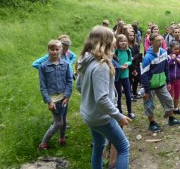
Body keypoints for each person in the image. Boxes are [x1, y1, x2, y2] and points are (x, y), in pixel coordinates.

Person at [76, 26, 131, 169]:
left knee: (99, 145)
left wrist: (90, 100)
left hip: (90, 115)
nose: (115, 42)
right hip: (102, 117)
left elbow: (79, 86)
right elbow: (101, 99)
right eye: (113, 38)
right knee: (123, 147)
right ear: (106, 42)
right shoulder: (101, 66)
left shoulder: (85, 60)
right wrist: (118, 116)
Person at [141, 33, 180, 132]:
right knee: (149, 105)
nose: (160, 43)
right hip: (150, 86)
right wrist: (146, 90)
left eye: (161, 40)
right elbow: (144, 75)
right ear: (151, 42)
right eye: (157, 41)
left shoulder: (163, 52)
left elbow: (166, 67)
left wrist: (168, 81)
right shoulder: (148, 57)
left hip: (161, 84)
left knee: (168, 100)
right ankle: (152, 123)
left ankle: (171, 119)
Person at [38, 40, 73, 150]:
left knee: (64, 119)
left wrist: (67, 96)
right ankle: (43, 144)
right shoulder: (43, 66)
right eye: (52, 49)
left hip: (64, 98)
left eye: (57, 49)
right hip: (53, 100)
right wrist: (49, 101)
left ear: (61, 50)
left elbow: (69, 81)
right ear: (48, 50)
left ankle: (62, 139)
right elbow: (43, 86)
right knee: (58, 123)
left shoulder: (66, 64)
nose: (55, 52)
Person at [114, 34, 135, 119]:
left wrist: (127, 64)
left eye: (124, 41)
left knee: (128, 94)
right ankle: (120, 112)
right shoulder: (115, 52)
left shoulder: (128, 50)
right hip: (117, 76)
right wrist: (119, 66)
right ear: (118, 42)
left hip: (126, 75)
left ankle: (130, 111)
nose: (123, 43)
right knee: (118, 95)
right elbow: (113, 63)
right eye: (121, 41)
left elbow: (130, 61)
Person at [168, 41, 180, 114]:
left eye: (178, 49)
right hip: (170, 80)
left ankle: (175, 108)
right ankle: (170, 109)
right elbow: (166, 66)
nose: (176, 51)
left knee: (177, 94)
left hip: (178, 79)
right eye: (175, 49)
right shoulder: (168, 57)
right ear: (171, 49)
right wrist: (172, 59)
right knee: (170, 95)